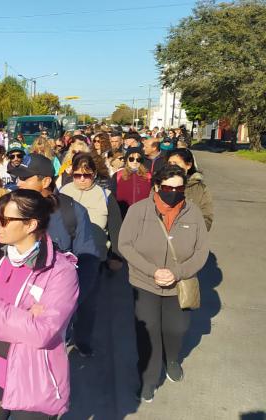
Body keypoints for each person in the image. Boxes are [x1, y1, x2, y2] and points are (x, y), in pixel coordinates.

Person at [0, 189, 78, 420]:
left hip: (33, 380)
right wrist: (21, 319)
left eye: (4, 219)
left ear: (30, 224)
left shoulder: (60, 272)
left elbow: (41, 334)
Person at [118, 165, 209, 403]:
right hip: (145, 282)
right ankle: (147, 379)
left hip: (179, 284)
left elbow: (201, 251)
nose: (174, 192)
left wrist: (178, 272)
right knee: (147, 333)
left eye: (180, 188)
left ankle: (172, 359)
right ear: (157, 187)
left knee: (176, 328)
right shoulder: (139, 211)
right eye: (168, 188)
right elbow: (125, 245)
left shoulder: (194, 213)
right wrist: (152, 271)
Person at [58, 153, 122, 357]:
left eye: (87, 175)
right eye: (77, 175)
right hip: (65, 259)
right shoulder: (62, 192)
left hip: (95, 259)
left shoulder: (106, 196)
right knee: (62, 302)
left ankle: (82, 340)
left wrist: (116, 256)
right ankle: (62, 335)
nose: (82, 179)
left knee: (87, 304)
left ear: (94, 174)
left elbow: (115, 228)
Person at [167, 149, 213, 231]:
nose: (172, 167)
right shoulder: (159, 185)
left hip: (188, 235)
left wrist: (195, 233)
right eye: (170, 163)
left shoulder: (200, 189)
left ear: (188, 165)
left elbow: (206, 216)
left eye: (176, 163)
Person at [109, 147, 151, 219]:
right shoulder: (117, 176)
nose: (135, 162)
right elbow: (112, 196)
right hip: (123, 214)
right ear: (127, 160)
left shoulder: (149, 176)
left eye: (138, 159)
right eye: (131, 159)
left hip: (143, 214)